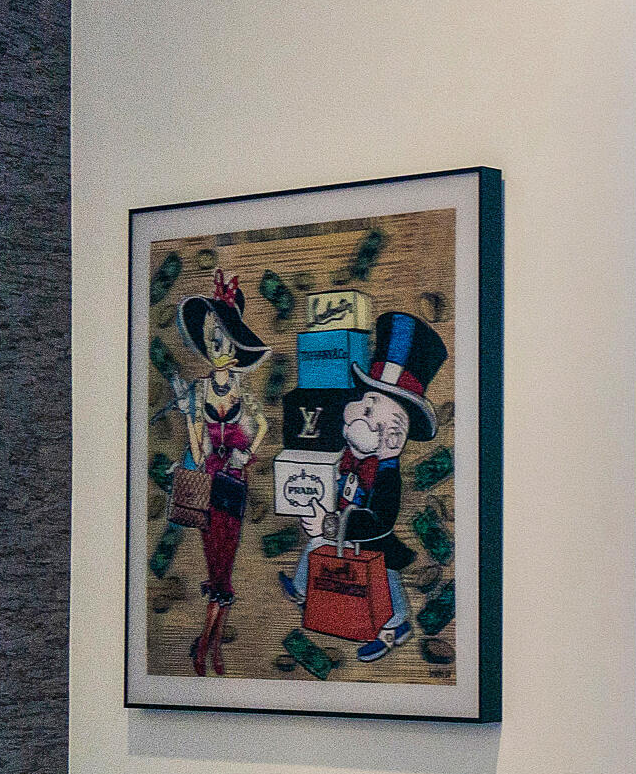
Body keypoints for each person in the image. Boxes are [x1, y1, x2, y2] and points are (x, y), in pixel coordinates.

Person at [283, 312, 447, 663]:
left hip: (373, 540)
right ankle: (301, 591)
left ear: (393, 438)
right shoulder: (349, 457)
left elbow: (380, 520)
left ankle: (394, 628)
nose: (355, 410)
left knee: (385, 577)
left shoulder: (386, 476)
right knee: (315, 546)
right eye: (364, 401)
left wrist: (331, 524)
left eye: (370, 410)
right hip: (345, 531)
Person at [176, 272, 268, 675]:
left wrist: (246, 453)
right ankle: (209, 649)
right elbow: (198, 449)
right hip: (209, 484)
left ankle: (206, 648)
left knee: (224, 571)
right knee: (216, 571)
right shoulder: (198, 392)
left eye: (223, 338)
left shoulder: (242, 390)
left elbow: (262, 426)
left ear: (235, 347)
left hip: (234, 483)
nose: (217, 345)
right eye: (212, 337)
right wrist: (187, 416)